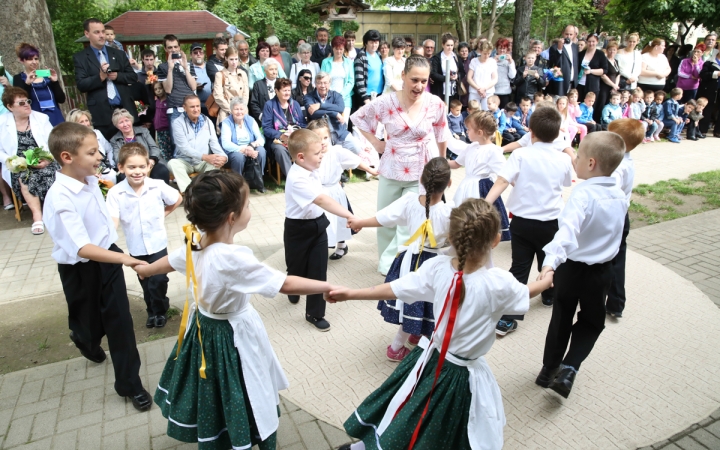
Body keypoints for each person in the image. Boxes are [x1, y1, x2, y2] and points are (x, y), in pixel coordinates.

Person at [135, 171, 337, 449]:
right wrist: (325, 286)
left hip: (203, 329)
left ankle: (220, 430)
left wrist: (146, 269)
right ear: (232, 217)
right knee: (246, 384)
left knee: (216, 388)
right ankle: (250, 431)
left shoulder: (195, 240)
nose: (250, 210)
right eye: (248, 205)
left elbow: (170, 261)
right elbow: (284, 283)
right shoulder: (231, 258)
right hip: (232, 335)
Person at [329, 199, 551, 450]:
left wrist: (351, 292)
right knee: (445, 426)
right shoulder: (498, 284)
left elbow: (396, 289)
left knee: (409, 406)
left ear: (451, 236)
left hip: (429, 358)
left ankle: (363, 448)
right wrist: (546, 279)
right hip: (459, 374)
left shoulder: (437, 268)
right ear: (496, 240)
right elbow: (526, 293)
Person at [43, 122, 152, 412]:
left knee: (120, 323)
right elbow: (81, 247)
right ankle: (84, 339)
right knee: (88, 323)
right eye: (92, 153)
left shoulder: (90, 180)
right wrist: (126, 259)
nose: (99, 156)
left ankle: (130, 384)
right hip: (80, 269)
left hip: (109, 259)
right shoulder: (60, 197)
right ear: (67, 157)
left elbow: (102, 225)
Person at [535, 132, 627, 399]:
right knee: (591, 321)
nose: (573, 156)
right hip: (601, 273)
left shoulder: (582, 195)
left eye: (578, 153)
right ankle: (570, 366)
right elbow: (617, 237)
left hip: (571, 269)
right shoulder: (620, 196)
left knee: (561, 317)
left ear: (590, 163)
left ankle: (549, 369)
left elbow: (567, 232)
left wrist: (550, 262)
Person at [347, 157, 453, 362]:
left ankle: (416, 332)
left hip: (409, 260)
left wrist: (359, 222)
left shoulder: (410, 201)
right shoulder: (450, 212)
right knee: (427, 301)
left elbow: (384, 218)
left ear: (420, 180)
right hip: (434, 264)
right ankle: (396, 347)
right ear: (448, 184)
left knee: (411, 299)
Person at [351, 55, 449, 275]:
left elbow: (442, 133)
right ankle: (387, 262)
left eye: (424, 81)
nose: (419, 86)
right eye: (414, 80)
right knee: (385, 219)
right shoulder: (385, 102)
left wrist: (442, 165)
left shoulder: (435, 103)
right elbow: (358, 118)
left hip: (421, 171)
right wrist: (376, 143)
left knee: (409, 222)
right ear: (403, 75)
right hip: (391, 168)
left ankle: (397, 265)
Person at [485, 106, 573, 335]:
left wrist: (486, 203)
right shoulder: (563, 159)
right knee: (550, 263)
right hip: (551, 222)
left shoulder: (520, 154)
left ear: (530, 132)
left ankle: (509, 318)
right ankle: (549, 295)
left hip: (522, 223)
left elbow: (502, 181)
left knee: (519, 267)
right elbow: (566, 184)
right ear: (557, 135)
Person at [284, 129, 355, 330]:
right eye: (317, 154)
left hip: (318, 225)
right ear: (300, 157)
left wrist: (320, 146)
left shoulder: (312, 166)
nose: (321, 157)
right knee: (296, 269)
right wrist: (349, 215)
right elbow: (322, 199)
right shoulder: (297, 177)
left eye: (321, 153)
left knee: (318, 270)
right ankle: (293, 288)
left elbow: (321, 154)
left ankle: (314, 314)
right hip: (297, 228)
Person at [106, 143, 181, 329]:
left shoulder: (157, 186)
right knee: (145, 281)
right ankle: (152, 311)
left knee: (159, 279)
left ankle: (161, 309)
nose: (137, 171)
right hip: (136, 247)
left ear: (149, 166)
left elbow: (177, 198)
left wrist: (165, 213)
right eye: (131, 167)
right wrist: (108, 236)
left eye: (141, 166)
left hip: (157, 243)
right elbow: (113, 219)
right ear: (121, 168)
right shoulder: (116, 193)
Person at [308, 119, 376, 259]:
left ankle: (341, 245)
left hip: (334, 192)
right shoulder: (311, 155)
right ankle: (320, 246)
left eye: (325, 138)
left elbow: (354, 160)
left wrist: (370, 169)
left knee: (338, 220)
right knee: (322, 222)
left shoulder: (337, 152)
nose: (323, 142)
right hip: (317, 193)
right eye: (318, 139)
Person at [0, 86, 57, 234]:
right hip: (19, 164)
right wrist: (13, 161)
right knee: (25, 177)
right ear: (10, 107)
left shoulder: (41, 118)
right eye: (21, 102)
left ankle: (56, 211)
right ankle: (38, 216)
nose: (27, 104)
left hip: (45, 160)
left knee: (53, 173)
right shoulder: (1, 122)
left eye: (27, 101)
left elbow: (53, 142)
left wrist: (47, 159)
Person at [603, 119, 643, 320]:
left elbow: (610, 193)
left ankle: (610, 300)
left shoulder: (618, 166)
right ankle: (616, 302)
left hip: (613, 216)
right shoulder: (625, 159)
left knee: (609, 258)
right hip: (621, 214)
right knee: (618, 257)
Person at [449, 111, 509, 241]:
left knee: (477, 216)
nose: (467, 131)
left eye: (469, 129)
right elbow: (455, 163)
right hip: (466, 185)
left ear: (480, 133)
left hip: (481, 187)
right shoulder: (471, 147)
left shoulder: (493, 151)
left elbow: (505, 175)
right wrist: (438, 161)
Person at [74, 18, 138, 140]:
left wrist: (118, 76)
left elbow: (133, 77)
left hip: (124, 110)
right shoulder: (80, 58)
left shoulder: (118, 54)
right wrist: (100, 77)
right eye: (97, 32)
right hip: (102, 114)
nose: (102, 35)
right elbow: (81, 85)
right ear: (87, 34)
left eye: (103, 32)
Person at [169, 95, 228, 192]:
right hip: (185, 161)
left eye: (198, 106)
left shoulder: (207, 121)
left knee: (216, 163)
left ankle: (206, 191)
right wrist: (205, 157)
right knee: (172, 163)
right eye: (192, 107)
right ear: (184, 108)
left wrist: (223, 157)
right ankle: (190, 192)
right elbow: (184, 148)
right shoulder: (177, 123)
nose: (196, 109)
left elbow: (214, 143)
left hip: (202, 163)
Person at [305, 72, 363, 154]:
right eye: (319, 83)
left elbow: (340, 108)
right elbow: (313, 113)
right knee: (329, 155)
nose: (323, 86)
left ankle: (342, 165)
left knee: (356, 148)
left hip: (339, 131)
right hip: (321, 135)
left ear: (329, 83)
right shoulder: (308, 97)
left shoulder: (336, 95)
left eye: (325, 83)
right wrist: (334, 113)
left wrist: (320, 105)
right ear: (315, 84)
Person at [109, 109, 170, 184]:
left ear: (131, 121)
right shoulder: (114, 140)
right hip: (130, 167)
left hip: (149, 162)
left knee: (161, 171)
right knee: (123, 177)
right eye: (121, 122)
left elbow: (154, 148)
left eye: (127, 120)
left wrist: (152, 160)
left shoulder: (144, 131)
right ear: (117, 126)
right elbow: (117, 158)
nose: (125, 124)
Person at [262, 78, 307, 177]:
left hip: (296, 137)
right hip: (278, 139)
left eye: (289, 90)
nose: (287, 93)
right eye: (284, 90)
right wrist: (281, 136)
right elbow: (266, 128)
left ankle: (306, 175)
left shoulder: (295, 104)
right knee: (279, 150)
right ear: (276, 90)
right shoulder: (269, 105)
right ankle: (292, 178)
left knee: (307, 146)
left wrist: (298, 135)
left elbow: (303, 124)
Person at [13, 43, 66, 127]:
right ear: (22, 60)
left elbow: (61, 99)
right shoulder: (19, 78)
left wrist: (55, 82)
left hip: (56, 118)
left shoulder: (46, 76)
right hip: (36, 121)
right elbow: (21, 102)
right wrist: (27, 84)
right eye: (30, 59)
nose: (34, 62)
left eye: (36, 58)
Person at [156, 34, 198, 132]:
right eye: (170, 47)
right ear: (165, 49)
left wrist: (185, 67)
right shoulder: (162, 67)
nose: (173, 50)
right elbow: (168, 89)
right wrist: (170, 69)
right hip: (175, 109)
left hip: (191, 107)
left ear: (179, 47)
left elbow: (193, 86)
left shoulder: (188, 64)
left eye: (175, 46)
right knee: (177, 143)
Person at [220, 99, 266, 183]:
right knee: (238, 157)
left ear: (245, 110)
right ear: (231, 110)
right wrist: (244, 150)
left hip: (250, 148)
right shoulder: (226, 123)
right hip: (234, 150)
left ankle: (258, 180)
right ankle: (238, 183)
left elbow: (261, 138)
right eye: (236, 109)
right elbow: (226, 144)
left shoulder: (250, 120)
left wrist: (252, 146)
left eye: (241, 109)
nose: (239, 112)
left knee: (261, 151)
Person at [66, 108, 117, 183]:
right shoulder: (71, 141)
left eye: (86, 120)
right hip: (85, 172)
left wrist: (112, 165)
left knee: (112, 175)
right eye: (81, 122)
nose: (86, 124)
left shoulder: (97, 133)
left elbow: (109, 149)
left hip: (104, 168)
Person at [213, 46, 250, 132]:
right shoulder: (220, 74)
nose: (234, 62)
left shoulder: (243, 73)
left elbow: (246, 93)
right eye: (231, 59)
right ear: (226, 58)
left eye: (236, 59)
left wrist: (241, 109)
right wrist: (232, 110)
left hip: (242, 111)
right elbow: (218, 96)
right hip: (227, 111)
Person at [320, 36, 355, 119]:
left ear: (344, 49)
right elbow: (322, 80)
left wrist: (340, 95)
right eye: (336, 48)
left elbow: (351, 81)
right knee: (329, 125)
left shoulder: (349, 63)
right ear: (333, 48)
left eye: (341, 49)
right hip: (328, 98)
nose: (339, 51)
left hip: (345, 99)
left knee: (343, 124)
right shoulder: (325, 62)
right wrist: (332, 95)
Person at [353, 30, 384, 109]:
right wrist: (365, 98)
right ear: (366, 43)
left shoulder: (378, 54)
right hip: (366, 97)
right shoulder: (361, 56)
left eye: (376, 42)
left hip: (379, 94)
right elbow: (359, 79)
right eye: (371, 42)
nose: (374, 45)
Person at [577, 34, 608, 111]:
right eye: (589, 41)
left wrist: (591, 71)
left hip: (592, 86)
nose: (591, 43)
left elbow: (605, 70)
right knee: (578, 105)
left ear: (597, 42)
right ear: (587, 42)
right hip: (579, 84)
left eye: (593, 41)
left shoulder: (600, 54)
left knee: (589, 108)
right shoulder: (581, 54)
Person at [548, 25, 580, 95]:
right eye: (566, 34)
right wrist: (559, 50)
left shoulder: (575, 47)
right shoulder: (554, 47)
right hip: (560, 84)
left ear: (574, 35)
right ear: (563, 33)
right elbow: (553, 65)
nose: (568, 36)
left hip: (572, 83)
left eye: (571, 34)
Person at [429, 33, 462, 102]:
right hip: (440, 90)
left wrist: (457, 76)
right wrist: (447, 78)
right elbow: (433, 74)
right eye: (448, 45)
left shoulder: (456, 57)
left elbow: (462, 71)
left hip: (454, 90)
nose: (450, 47)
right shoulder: (437, 58)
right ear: (443, 45)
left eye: (451, 45)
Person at [467, 41, 498, 110]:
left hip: (488, 92)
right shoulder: (474, 61)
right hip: (474, 91)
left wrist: (484, 89)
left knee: (486, 113)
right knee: (473, 112)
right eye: (484, 53)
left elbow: (495, 79)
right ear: (480, 51)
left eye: (488, 53)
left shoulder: (492, 62)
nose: (486, 56)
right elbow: (469, 78)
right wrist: (478, 89)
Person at [249, 59, 282, 123]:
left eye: (276, 69)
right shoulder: (258, 84)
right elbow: (254, 103)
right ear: (265, 70)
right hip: (264, 119)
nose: (274, 72)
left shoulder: (282, 83)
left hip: (281, 118)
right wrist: (262, 116)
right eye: (271, 69)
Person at [697, 52, 720, 137]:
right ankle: (702, 130)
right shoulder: (709, 62)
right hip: (710, 89)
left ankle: (718, 131)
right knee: (707, 108)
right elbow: (703, 74)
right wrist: (716, 74)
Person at [151, 82, 172, 161]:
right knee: (162, 150)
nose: (158, 91)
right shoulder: (157, 101)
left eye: (160, 88)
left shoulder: (168, 101)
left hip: (167, 130)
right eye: (156, 89)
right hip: (159, 130)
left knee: (168, 149)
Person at [493, 38, 517, 108]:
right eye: (500, 48)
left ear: (507, 49)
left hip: (505, 91)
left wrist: (510, 62)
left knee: (504, 112)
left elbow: (512, 76)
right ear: (496, 48)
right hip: (493, 91)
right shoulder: (491, 60)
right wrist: (494, 61)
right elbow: (488, 74)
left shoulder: (510, 61)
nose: (502, 50)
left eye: (504, 48)